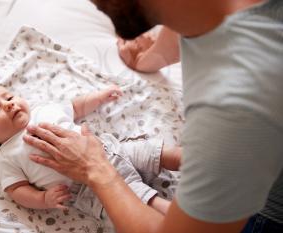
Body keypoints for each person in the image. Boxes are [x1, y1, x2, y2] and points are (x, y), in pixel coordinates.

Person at [23, 0, 283, 233]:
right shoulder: (212, 10)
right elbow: (187, 22)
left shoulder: (236, 103)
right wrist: (149, 59)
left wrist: (96, 168)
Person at [0, 84, 181, 222]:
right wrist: (43, 198)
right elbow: (16, 189)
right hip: (87, 189)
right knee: (140, 200)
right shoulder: (6, 156)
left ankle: (195, 161)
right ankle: (180, 217)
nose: (8, 105)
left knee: (158, 152)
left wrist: (100, 96)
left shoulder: (43, 109)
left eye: (8, 97)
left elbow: (77, 107)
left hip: (109, 149)